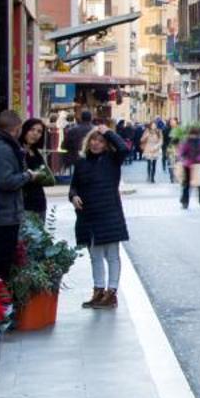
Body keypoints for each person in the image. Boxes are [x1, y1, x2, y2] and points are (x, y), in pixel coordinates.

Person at [69, 126, 129, 308]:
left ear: (106, 144)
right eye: (94, 140)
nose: (96, 143)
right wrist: (73, 196)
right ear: (88, 141)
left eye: (101, 141)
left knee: (112, 254)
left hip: (109, 211)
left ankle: (111, 293)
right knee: (95, 255)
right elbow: (74, 186)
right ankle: (98, 290)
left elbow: (124, 148)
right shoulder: (81, 163)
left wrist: (108, 132)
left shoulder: (112, 159)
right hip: (88, 214)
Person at [0, 110, 31, 282]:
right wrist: (27, 176)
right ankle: (1, 303)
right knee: (2, 264)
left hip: (5, 214)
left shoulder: (5, 146)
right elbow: (5, 180)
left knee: (4, 262)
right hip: (4, 215)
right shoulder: (3, 148)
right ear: (16, 128)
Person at [19, 117, 54, 225]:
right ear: (25, 130)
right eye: (32, 129)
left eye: (39, 131)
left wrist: (39, 176)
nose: (35, 134)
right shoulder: (18, 149)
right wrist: (34, 176)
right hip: (24, 204)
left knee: (39, 239)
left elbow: (50, 178)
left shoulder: (35, 151)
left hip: (39, 202)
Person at [179, 124, 200, 209]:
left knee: (192, 185)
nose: (193, 136)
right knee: (196, 185)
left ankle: (187, 202)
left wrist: (187, 159)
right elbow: (182, 153)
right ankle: (195, 202)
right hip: (193, 166)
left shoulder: (189, 141)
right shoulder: (199, 142)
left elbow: (182, 153)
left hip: (192, 166)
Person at [59, 109, 91, 179]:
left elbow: (65, 144)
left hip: (75, 158)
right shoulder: (94, 129)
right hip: (91, 159)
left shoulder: (73, 130)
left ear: (81, 118)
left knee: (76, 180)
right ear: (91, 118)